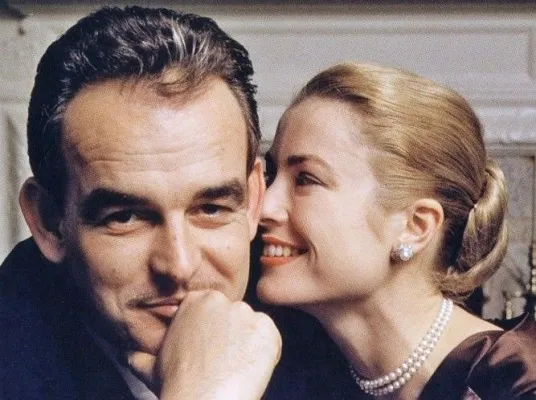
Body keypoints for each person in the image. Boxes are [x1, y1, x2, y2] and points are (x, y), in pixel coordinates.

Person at [0, 6, 283, 399]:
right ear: (49, 222)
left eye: (210, 209)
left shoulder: (313, 324)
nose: (179, 266)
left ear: (253, 200)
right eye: (126, 217)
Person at [258, 62, 536, 399]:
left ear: (415, 227)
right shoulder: (290, 370)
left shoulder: (516, 383)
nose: (263, 207)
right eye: (271, 176)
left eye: (305, 179)